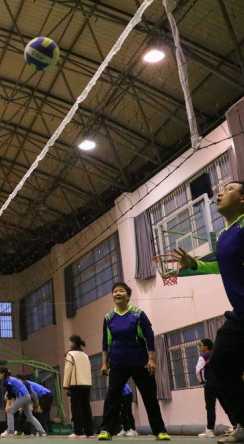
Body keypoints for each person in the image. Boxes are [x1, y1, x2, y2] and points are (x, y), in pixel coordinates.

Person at [175, 180, 244, 444]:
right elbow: (219, 266)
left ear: (242, 199)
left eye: (229, 189)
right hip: (240, 315)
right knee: (220, 364)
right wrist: (194, 265)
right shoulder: (225, 234)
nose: (220, 192)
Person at [96, 282, 169, 441]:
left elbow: (149, 336)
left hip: (140, 362)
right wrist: (104, 363)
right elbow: (106, 342)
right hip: (118, 363)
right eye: (115, 291)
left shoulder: (138, 314)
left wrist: (151, 359)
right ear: (112, 296)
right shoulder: (108, 317)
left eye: (121, 291)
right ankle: (106, 430)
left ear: (128, 296)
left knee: (149, 397)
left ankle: (160, 431)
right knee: (112, 397)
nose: (118, 293)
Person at [196, 338, 237, 437]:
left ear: (206, 346)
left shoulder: (203, 356)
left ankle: (210, 431)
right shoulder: (218, 354)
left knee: (210, 408)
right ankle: (236, 427)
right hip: (221, 385)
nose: (199, 347)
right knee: (227, 407)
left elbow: (198, 370)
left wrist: (202, 382)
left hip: (210, 386)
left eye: (200, 345)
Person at [0, 367, 45, 437]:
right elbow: (13, 394)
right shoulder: (11, 378)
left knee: (10, 412)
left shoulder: (7, 380)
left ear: (3, 373)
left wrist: (8, 406)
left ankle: (10, 432)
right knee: (30, 416)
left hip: (22, 397)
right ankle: (42, 432)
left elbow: (10, 394)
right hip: (27, 397)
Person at [63, 334, 93, 438]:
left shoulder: (70, 354)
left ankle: (78, 432)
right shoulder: (85, 355)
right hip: (86, 384)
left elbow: (68, 370)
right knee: (86, 407)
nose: (69, 343)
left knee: (76, 408)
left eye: (70, 341)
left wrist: (66, 385)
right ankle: (89, 432)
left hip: (75, 384)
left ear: (73, 343)